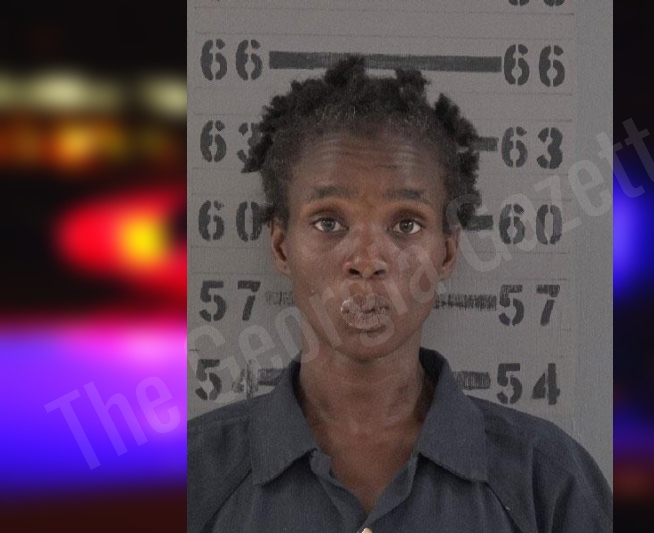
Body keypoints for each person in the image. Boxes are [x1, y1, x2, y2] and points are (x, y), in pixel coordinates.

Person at [188, 55, 612, 532]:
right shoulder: (194, 476)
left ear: (447, 252)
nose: (367, 259)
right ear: (282, 246)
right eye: (328, 222)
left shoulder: (548, 482)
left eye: (406, 224)